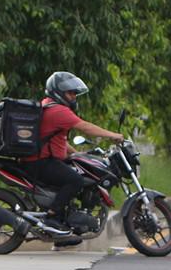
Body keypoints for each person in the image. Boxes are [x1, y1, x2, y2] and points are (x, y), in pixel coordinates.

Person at [23, 71, 124, 234]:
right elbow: (85, 127)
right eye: (70, 93)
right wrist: (112, 135)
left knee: (74, 174)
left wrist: (78, 155)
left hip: (40, 160)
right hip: (41, 162)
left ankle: (65, 232)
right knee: (76, 181)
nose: (74, 97)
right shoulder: (59, 111)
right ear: (58, 92)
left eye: (75, 93)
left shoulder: (48, 105)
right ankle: (52, 217)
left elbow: (58, 140)